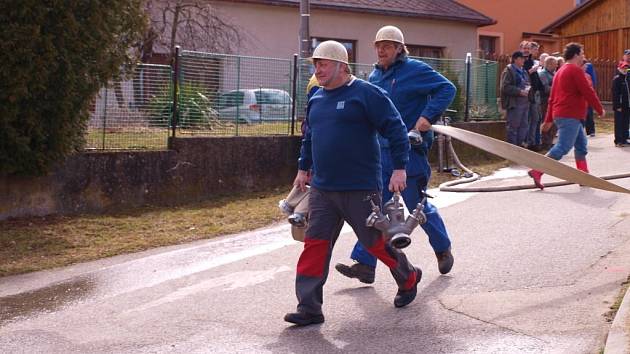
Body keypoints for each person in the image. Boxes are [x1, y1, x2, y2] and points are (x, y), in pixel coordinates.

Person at [284, 40, 421, 326]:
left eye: (323, 64)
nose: (317, 70)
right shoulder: (316, 98)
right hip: (322, 189)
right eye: (315, 64)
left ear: (341, 66)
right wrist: (303, 169)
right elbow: (310, 137)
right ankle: (309, 308)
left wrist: (399, 168)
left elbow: (395, 129)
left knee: (375, 243)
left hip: (360, 187)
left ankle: (408, 276)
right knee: (314, 245)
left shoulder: (367, 93)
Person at [333, 25, 456, 284]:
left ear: (400, 48)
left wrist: (425, 118)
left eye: (387, 46)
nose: (381, 50)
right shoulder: (375, 77)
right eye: (378, 46)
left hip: (411, 151)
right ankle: (365, 264)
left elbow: (447, 89)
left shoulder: (416, 70)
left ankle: (442, 247)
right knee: (376, 211)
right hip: (381, 153)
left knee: (415, 205)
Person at [528, 42, 605, 189]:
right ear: (576, 55)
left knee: (581, 146)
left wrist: (549, 119)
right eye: (582, 54)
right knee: (563, 147)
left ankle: (583, 176)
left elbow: (552, 99)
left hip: (565, 115)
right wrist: (600, 110)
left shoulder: (560, 71)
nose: (583, 57)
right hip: (570, 115)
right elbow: (588, 91)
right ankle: (537, 171)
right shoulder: (575, 71)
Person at [500, 51, 531, 147]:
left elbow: (527, 83)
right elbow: (505, 87)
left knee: (524, 126)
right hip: (514, 103)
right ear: (515, 59)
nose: (524, 60)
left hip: (525, 103)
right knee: (513, 127)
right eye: (521, 58)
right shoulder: (508, 71)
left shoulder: (524, 71)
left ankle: (519, 150)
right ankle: (512, 151)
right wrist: (519, 91)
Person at [523, 42, 544, 151]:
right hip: (530, 94)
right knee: (533, 118)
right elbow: (525, 74)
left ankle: (534, 141)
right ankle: (530, 142)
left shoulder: (531, 61)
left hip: (535, 93)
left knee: (536, 119)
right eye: (536, 50)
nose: (537, 52)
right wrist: (533, 70)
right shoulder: (526, 61)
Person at [538, 56, 558, 150]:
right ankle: (545, 142)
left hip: (554, 101)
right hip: (545, 101)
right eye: (555, 64)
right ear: (549, 64)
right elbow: (545, 88)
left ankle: (550, 141)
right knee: (546, 122)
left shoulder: (553, 74)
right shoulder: (543, 74)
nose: (557, 65)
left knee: (554, 123)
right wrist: (559, 89)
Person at [612, 63, 630, 147]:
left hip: (627, 105)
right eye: (623, 68)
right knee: (619, 123)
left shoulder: (628, 79)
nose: (625, 70)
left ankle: (624, 139)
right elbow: (615, 94)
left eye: (626, 68)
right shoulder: (617, 79)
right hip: (620, 106)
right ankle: (618, 141)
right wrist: (617, 106)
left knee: (626, 123)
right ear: (619, 68)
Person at [583, 61, 598, 137]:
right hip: (581, 101)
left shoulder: (588, 75)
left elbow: (591, 87)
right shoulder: (577, 75)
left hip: (588, 99)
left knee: (589, 114)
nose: (586, 67)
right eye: (584, 66)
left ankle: (591, 131)